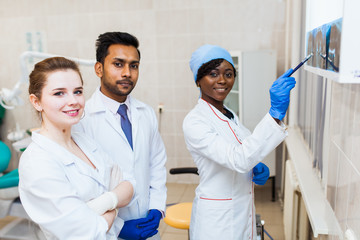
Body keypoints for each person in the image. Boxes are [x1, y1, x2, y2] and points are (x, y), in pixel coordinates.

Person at [183, 44, 296, 240]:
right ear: (198, 81)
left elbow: (244, 150)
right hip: (216, 223)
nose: (222, 80)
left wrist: (254, 168)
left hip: (242, 214)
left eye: (228, 74)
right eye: (213, 73)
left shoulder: (229, 115)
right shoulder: (194, 121)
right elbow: (238, 159)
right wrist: (275, 114)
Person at [19, 57, 134, 239]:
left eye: (78, 91)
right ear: (36, 101)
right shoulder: (37, 162)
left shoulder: (84, 141)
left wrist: (100, 204)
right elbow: (85, 232)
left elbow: (128, 184)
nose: (73, 101)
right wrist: (115, 203)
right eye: (59, 93)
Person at [73, 32, 167, 240]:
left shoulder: (146, 113)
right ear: (99, 68)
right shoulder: (82, 120)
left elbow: (157, 164)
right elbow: (82, 189)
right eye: (118, 64)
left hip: (147, 225)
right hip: (108, 230)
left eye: (134, 65)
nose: (127, 73)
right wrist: (118, 226)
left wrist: (157, 208)